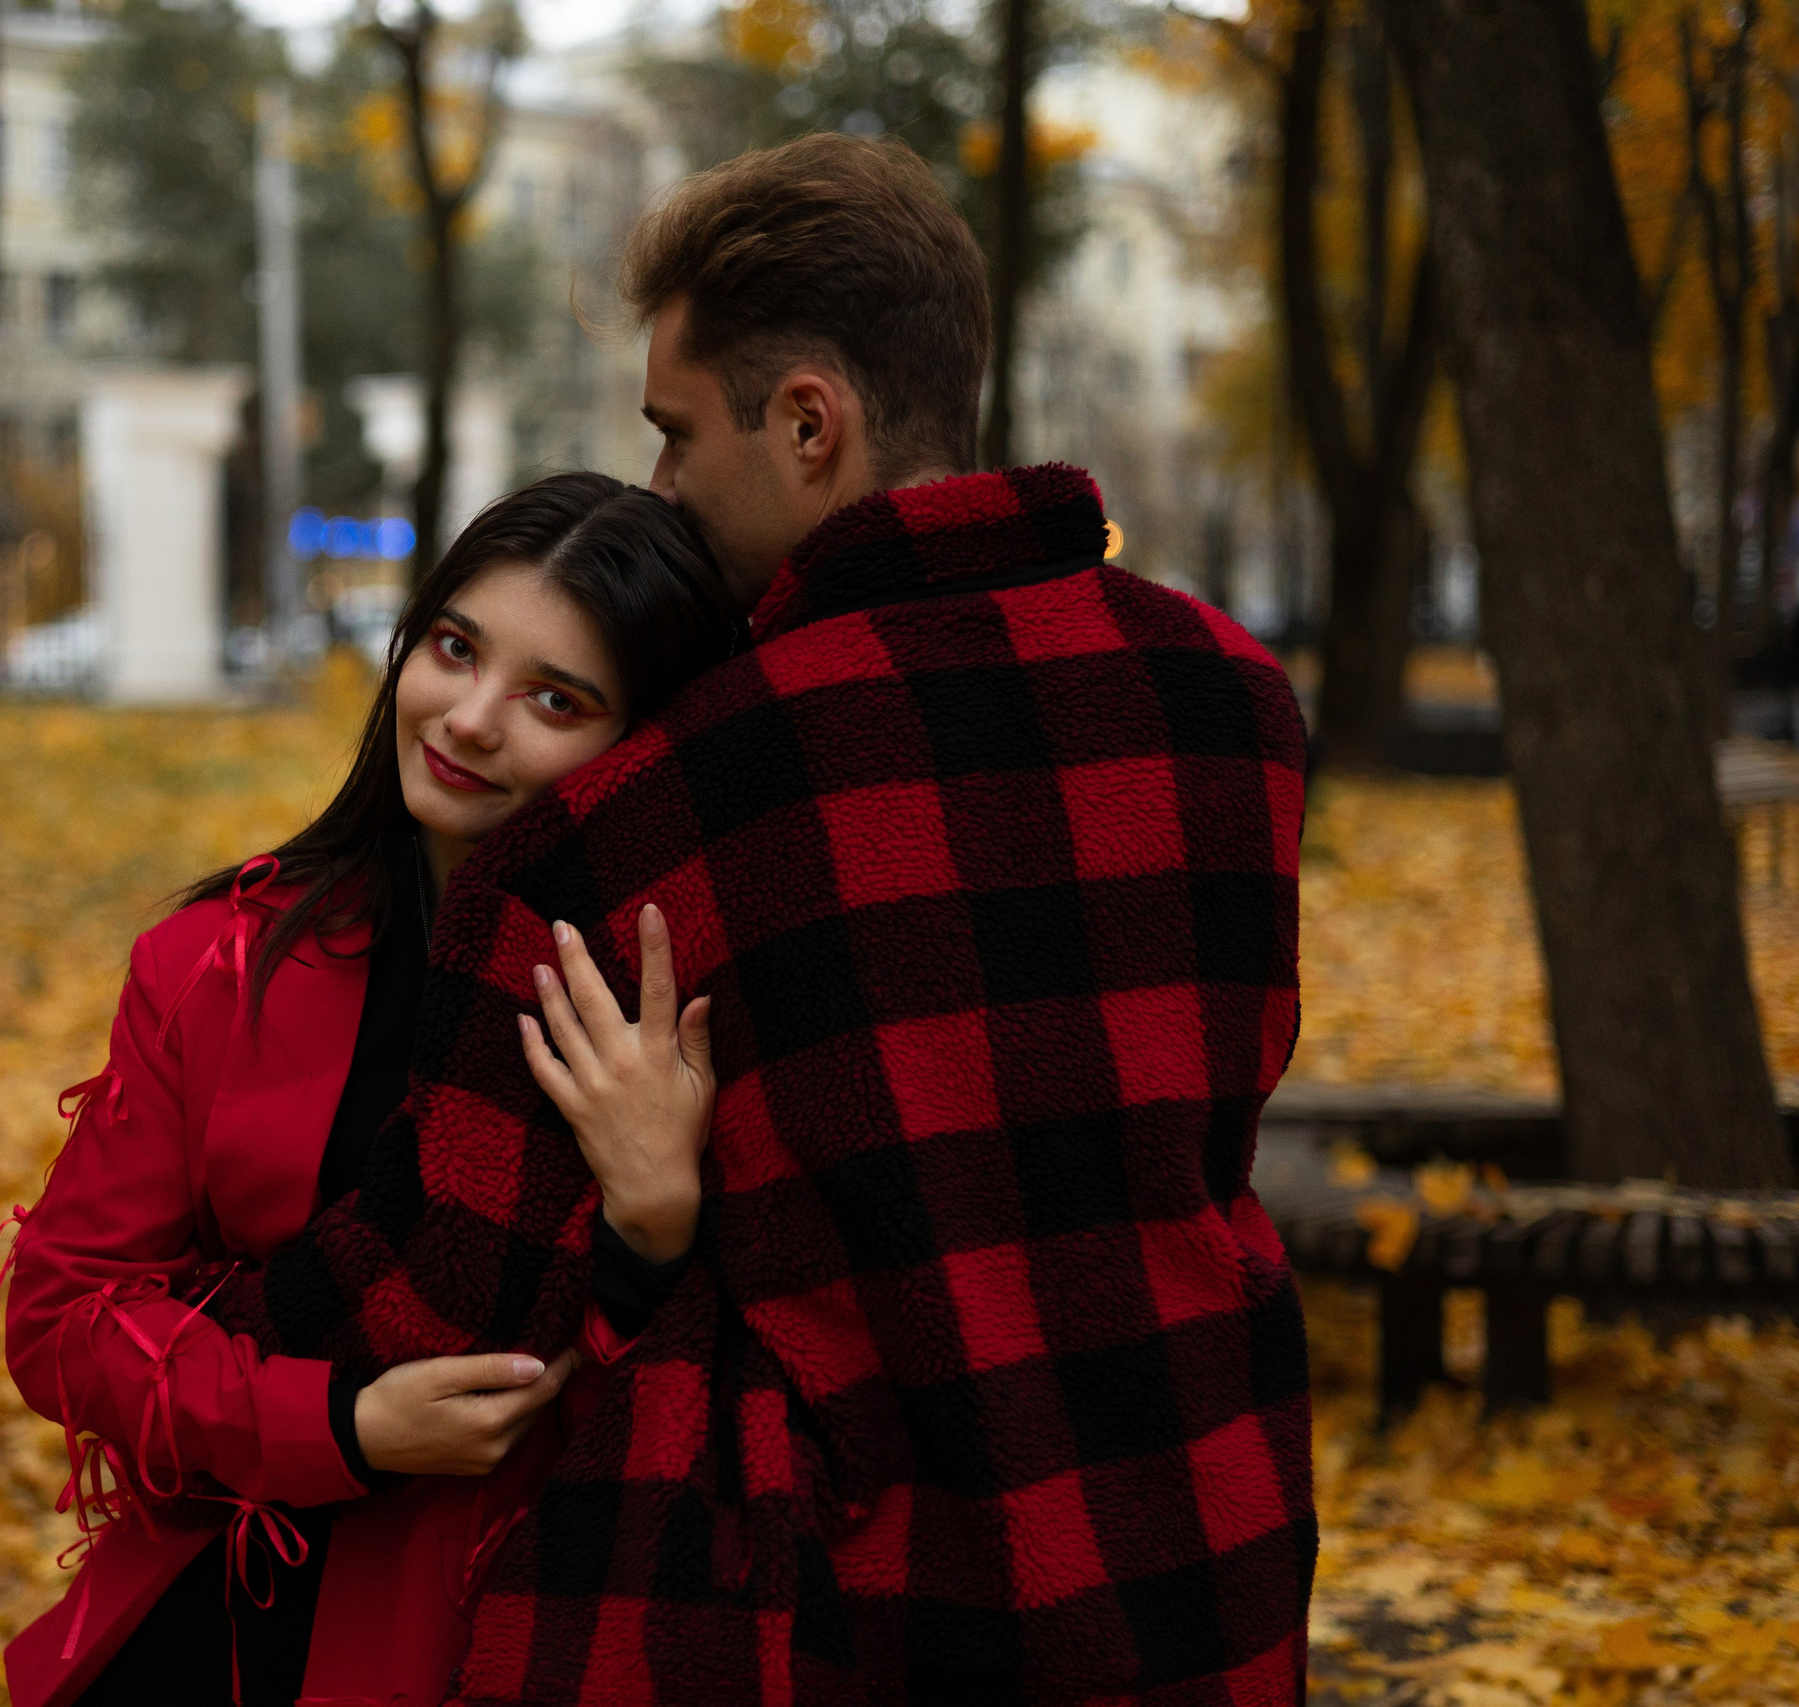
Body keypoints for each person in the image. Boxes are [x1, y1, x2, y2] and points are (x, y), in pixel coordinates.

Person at [201, 131, 1318, 1704]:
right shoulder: (1233, 702)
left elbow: (434, 1293)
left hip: (847, 1611)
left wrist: (188, 1325)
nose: (660, 484)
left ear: (810, 422)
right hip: (1196, 1541)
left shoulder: (658, 811)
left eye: (673, 433)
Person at [0, 473, 744, 1707]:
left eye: (555, 698)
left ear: (639, 749)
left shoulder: (666, 1017)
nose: (469, 717)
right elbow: (64, 1317)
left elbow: (714, 1417)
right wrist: (338, 1425)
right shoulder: (221, 964)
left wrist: (654, 1227)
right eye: (455, 648)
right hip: (220, 1623)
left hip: (500, 1642)